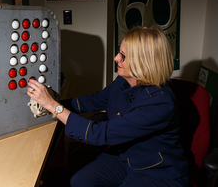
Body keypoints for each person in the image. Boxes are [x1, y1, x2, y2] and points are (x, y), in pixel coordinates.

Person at [27, 26, 188, 186]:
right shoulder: (123, 81)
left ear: (143, 62)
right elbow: (93, 101)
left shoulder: (161, 103)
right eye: (119, 52)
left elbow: (99, 134)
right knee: (79, 182)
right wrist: (51, 104)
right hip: (124, 155)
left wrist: (54, 107)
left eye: (123, 56)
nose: (116, 58)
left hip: (156, 170)